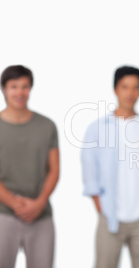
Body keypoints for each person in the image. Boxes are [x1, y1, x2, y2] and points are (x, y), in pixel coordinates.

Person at [81, 66, 139, 268]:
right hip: (110, 214)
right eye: (125, 87)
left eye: (135, 87)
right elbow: (89, 170)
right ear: (115, 89)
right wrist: (100, 205)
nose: (130, 93)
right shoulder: (97, 129)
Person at [0, 65, 60, 268]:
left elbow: (54, 169)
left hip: (41, 214)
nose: (19, 92)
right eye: (14, 86)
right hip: (3, 213)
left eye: (25, 86)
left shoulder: (47, 126)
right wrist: (15, 204)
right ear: (4, 89)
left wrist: (39, 203)